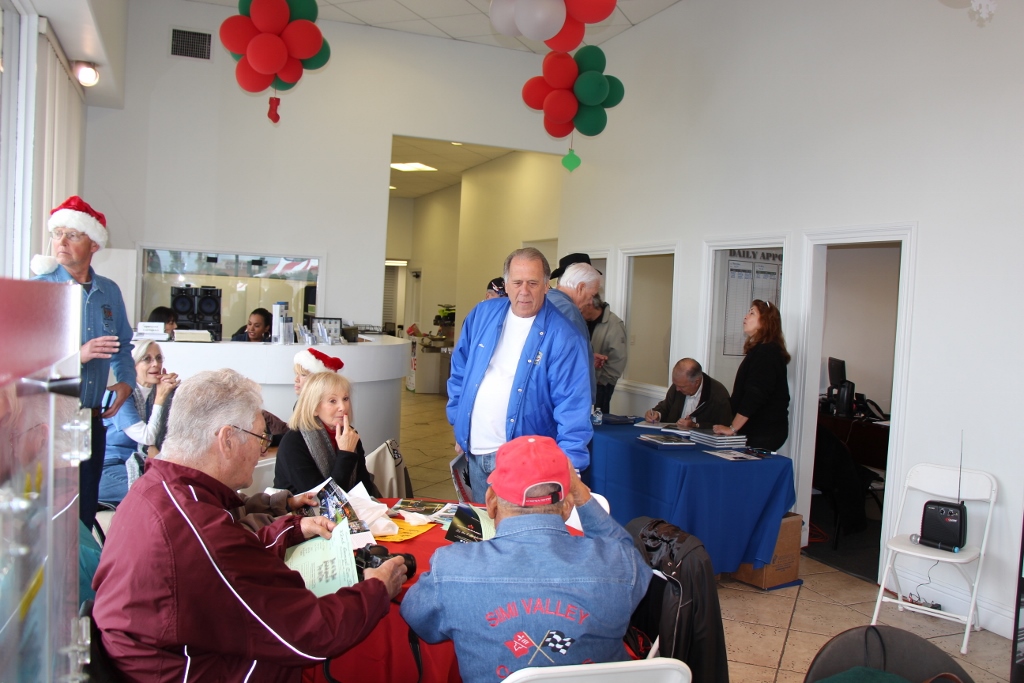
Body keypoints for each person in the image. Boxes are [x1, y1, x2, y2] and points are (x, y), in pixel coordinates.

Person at [92, 369, 406, 681]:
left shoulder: (153, 489)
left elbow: (228, 558)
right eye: (260, 438)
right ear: (227, 439)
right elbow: (310, 635)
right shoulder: (197, 528)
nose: (262, 450)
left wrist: (292, 529)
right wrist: (377, 588)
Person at [401, 435, 652, 682]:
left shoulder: (451, 568)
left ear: (490, 502)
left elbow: (419, 621)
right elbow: (627, 554)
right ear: (567, 506)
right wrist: (580, 492)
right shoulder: (619, 563)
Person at [447, 248, 593, 502]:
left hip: (525, 465)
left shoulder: (565, 336)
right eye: (517, 283)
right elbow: (460, 371)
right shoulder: (482, 315)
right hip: (475, 454)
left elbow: (573, 407)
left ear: (546, 286)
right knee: (483, 524)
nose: (524, 291)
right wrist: (460, 424)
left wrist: (571, 469)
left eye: (533, 283)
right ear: (506, 285)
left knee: (518, 528)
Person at [30, 195, 135, 531]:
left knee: (84, 514)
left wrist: (126, 382)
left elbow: (122, 346)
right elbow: (25, 361)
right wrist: (79, 356)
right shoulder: (38, 291)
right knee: (50, 520)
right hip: (48, 423)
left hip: (91, 420)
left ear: (94, 245)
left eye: (72, 235)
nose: (61, 242)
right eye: (57, 234)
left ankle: (84, 566)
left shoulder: (109, 292)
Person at [98, 340, 179, 505]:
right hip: (108, 467)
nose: (155, 364)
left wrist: (173, 393)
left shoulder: (159, 391)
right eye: (147, 359)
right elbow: (147, 438)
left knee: (178, 487)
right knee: (155, 492)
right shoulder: (120, 395)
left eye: (158, 358)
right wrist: (161, 398)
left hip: (143, 464)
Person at [274, 371, 381, 496]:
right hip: (305, 508)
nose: (343, 407)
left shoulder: (349, 434)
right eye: (332, 401)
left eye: (345, 399)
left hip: (350, 506)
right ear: (314, 408)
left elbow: (364, 486)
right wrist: (346, 454)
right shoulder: (293, 442)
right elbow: (324, 499)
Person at [713, 300, 791, 450]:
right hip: (757, 430)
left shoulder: (766, 352)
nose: (745, 316)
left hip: (763, 432)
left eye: (752, 313)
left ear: (765, 322)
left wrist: (732, 428)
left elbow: (754, 395)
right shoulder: (761, 350)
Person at [547, 261, 602, 403]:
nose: (591, 302)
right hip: (566, 399)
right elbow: (572, 366)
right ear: (581, 287)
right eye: (592, 295)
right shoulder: (569, 311)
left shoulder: (546, 300)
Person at [644, 358, 733, 430]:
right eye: (675, 384)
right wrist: (656, 414)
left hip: (700, 442)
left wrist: (695, 425)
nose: (677, 389)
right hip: (672, 437)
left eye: (682, 386)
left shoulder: (718, 395)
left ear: (696, 382)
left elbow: (724, 426)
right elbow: (665, 407)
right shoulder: (677, 387)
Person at [583, 294, 627, 415]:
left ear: (590, 303)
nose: (579, 308)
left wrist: (603, 380)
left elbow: (619, 358)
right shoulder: (583, 321)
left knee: (598, 420)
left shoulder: (614, 324)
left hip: (601, 384)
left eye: (581, 306)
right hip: (584, 381)